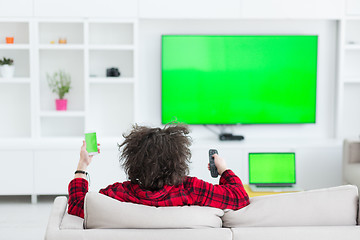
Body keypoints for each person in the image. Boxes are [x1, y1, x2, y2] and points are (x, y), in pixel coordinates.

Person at [68, 124, 250, 218]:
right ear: (179, 159)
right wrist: (223, 169)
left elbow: (77, 205)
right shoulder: (192, 189)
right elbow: (240, 197)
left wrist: (82, 164)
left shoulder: (119, 193)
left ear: (132, 161)